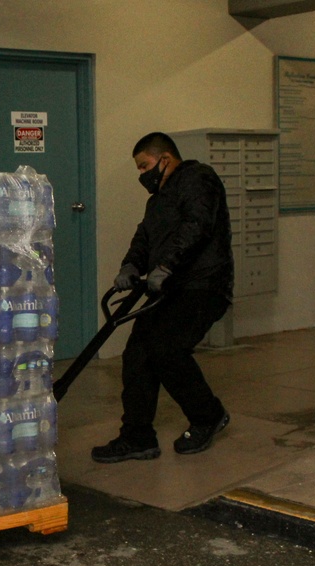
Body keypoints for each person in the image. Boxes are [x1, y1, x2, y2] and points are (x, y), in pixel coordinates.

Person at [92, 132, 233, 464]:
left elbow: (198, 225)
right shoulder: (157, 200)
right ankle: (137, 437)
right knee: (138, 352)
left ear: (165, 158)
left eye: (145, 166)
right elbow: (145, 235)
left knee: (167, 349)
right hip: (170, 288)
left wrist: (168, 264)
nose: (142, 174)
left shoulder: (199, 178)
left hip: (203, 286)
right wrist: (131, 264)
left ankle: (207, 415)